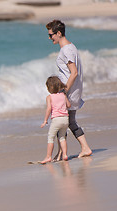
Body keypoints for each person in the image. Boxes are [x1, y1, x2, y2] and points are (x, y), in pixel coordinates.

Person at [46, 19, 92, 159]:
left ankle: (67, 152)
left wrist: (64, 90)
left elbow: (74, 72)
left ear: (59, 33)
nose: (50, 38)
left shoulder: (67, 50)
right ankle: (76, 149)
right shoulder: (71, 47)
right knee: (68, 121)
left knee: (62, 121)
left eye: (51, 35)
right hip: (72, 89)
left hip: (69, 90)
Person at [40, 76, 71, 164]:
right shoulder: (63, 95)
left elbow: (49, 108)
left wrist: (45, 120)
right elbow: (69, 105)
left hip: (56, 120)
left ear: (49, 88)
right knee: (62, 137)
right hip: (65, 119)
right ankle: (64, 154)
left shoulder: (49, 97)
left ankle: (48, 156)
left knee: (50, 138)